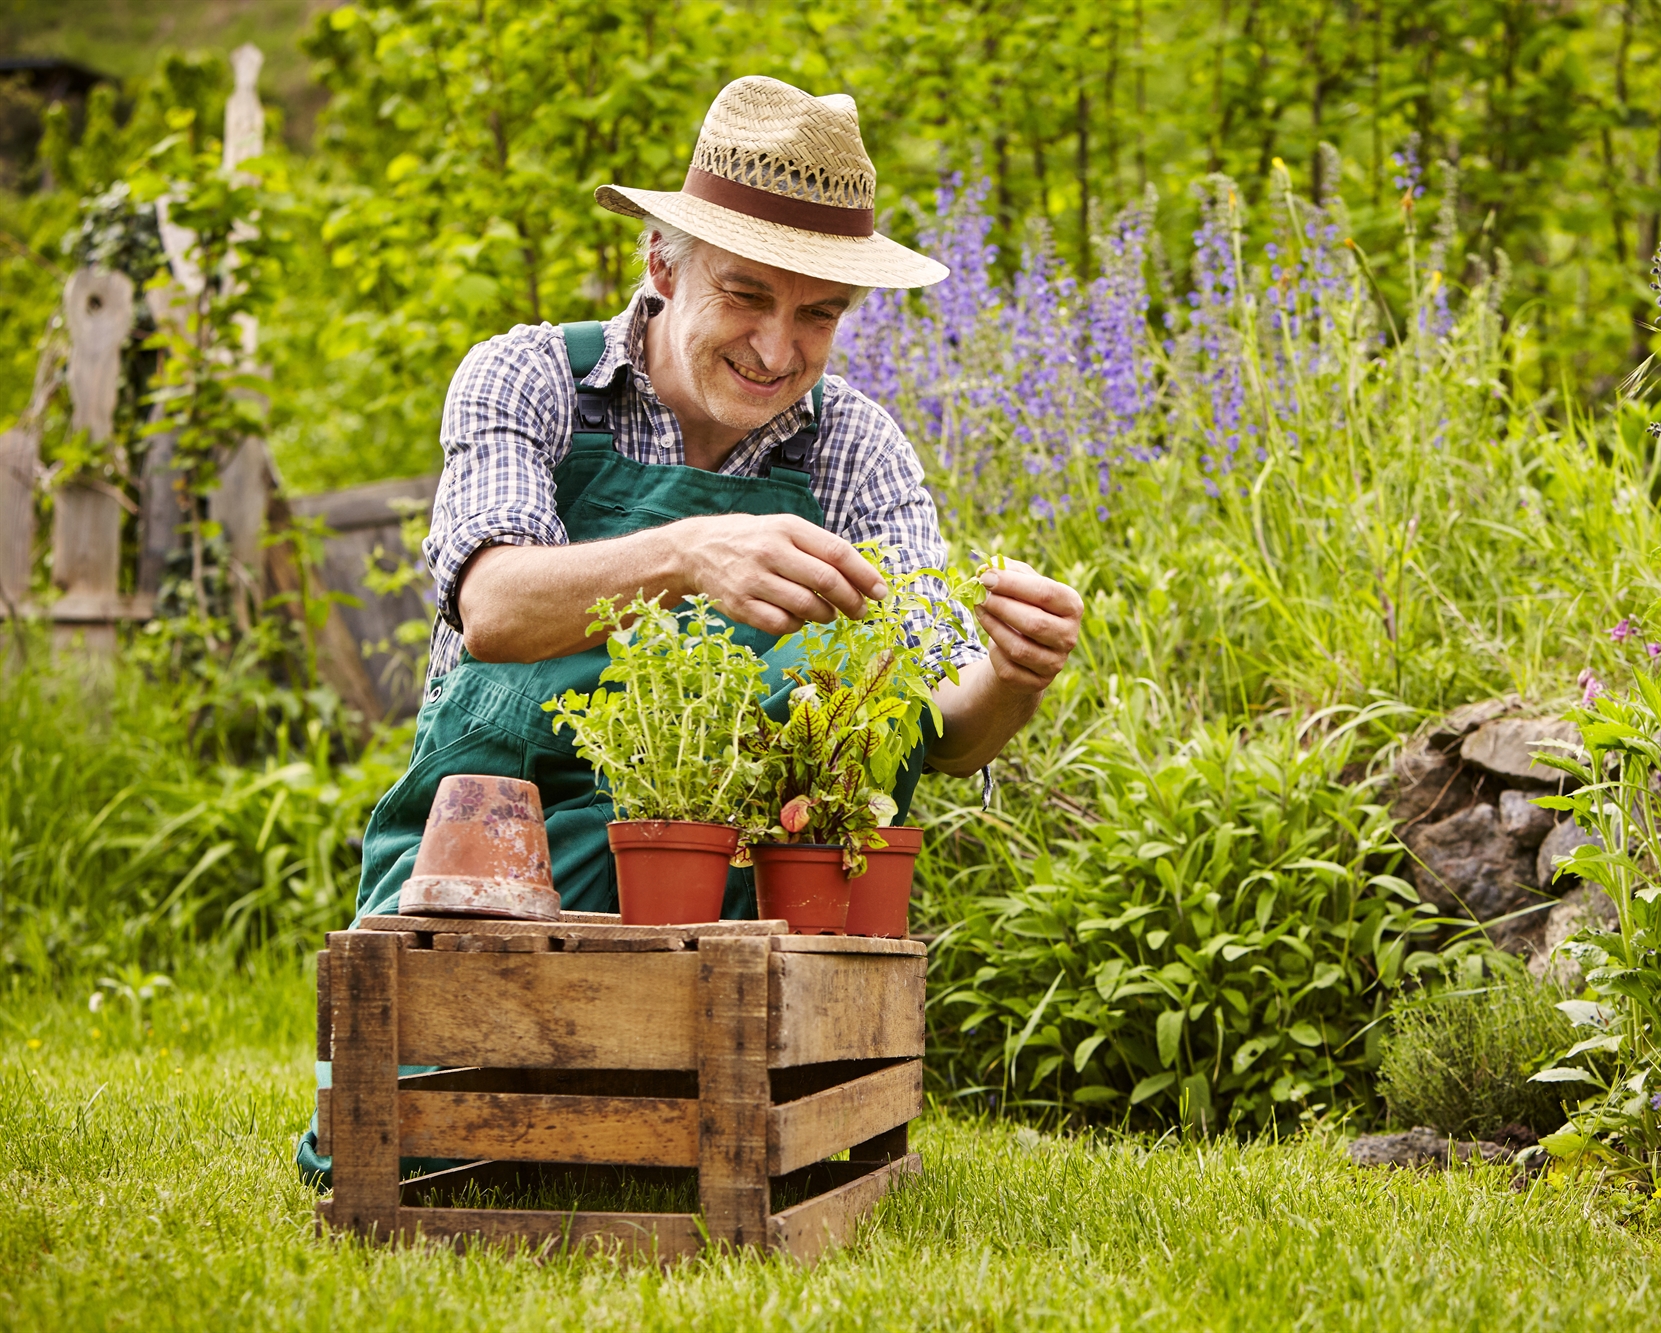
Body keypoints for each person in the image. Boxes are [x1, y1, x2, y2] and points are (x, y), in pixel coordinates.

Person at [296, 75, 1081, 1182]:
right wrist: (687, 553)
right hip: (495, 889)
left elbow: (939, 721)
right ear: (661, 267)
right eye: (747, 295)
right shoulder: (535, 380)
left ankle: (723, 1104)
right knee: (440, 1129)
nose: (776, 347)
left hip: (741, 929)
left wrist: (1011, 673)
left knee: (854, 686)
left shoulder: (855, 450)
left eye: (816, 315)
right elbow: (494, 608)